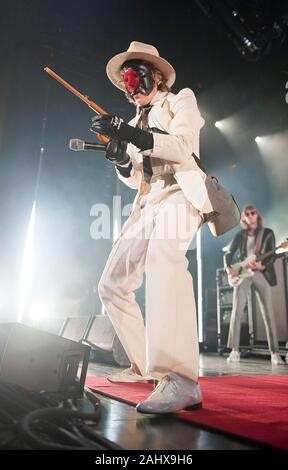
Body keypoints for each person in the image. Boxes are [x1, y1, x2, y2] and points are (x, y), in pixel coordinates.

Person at [90, 41, 215, 414]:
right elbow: (135, 180)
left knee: (165, 257)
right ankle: (144, 366)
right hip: (148, 202)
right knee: (112, 285)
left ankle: (181, 379)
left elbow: (182, 147)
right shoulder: (131, 122)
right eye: (126, 82)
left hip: (180, 193)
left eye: (135, 76)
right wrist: (120, 159)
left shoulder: (180, 101)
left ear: (155, 76)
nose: (130, 87)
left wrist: (133, 138)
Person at [224, 205, 284, 365]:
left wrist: (263, 266)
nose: (250, 216)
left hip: (261, 273)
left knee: (268, 313)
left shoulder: (268, 233)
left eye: (253, 213)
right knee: (236, 311)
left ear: (257, 215)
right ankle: (234, 351)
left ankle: (275, 353)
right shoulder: (240, 235)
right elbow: (229, 252)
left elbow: (271, 254)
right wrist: (229, 268)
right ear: (244, 218)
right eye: (247, 214)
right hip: (244, 273)